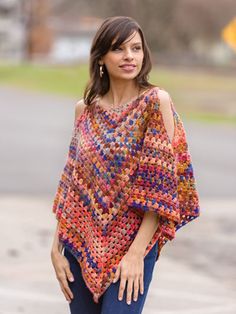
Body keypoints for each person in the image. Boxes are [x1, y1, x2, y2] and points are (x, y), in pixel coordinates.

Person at [50, 16, 200, 314]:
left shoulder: (156, 103)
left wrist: (135, 255)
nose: (130, 56)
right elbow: (73, 185)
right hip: (81, 244)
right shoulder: (85, 110)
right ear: (102, 57)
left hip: (134, 246)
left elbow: (160, 190)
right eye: (119, 49)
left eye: (136, 48)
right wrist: (56, 248)